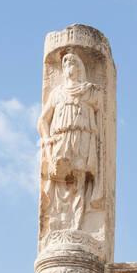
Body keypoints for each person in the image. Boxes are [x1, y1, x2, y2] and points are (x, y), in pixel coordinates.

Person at [39, 49, 102, 233]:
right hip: (61, 137)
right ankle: (59, 222)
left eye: (73, 63)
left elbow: (101, 116)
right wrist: (47, 138)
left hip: (81, 137)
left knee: (79, 180)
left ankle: (77, 225)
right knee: (60, 180)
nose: (68, 67)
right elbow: (43, 120)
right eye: (65, 64)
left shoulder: (89, 91)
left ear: (79, 68)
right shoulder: (57, 93)